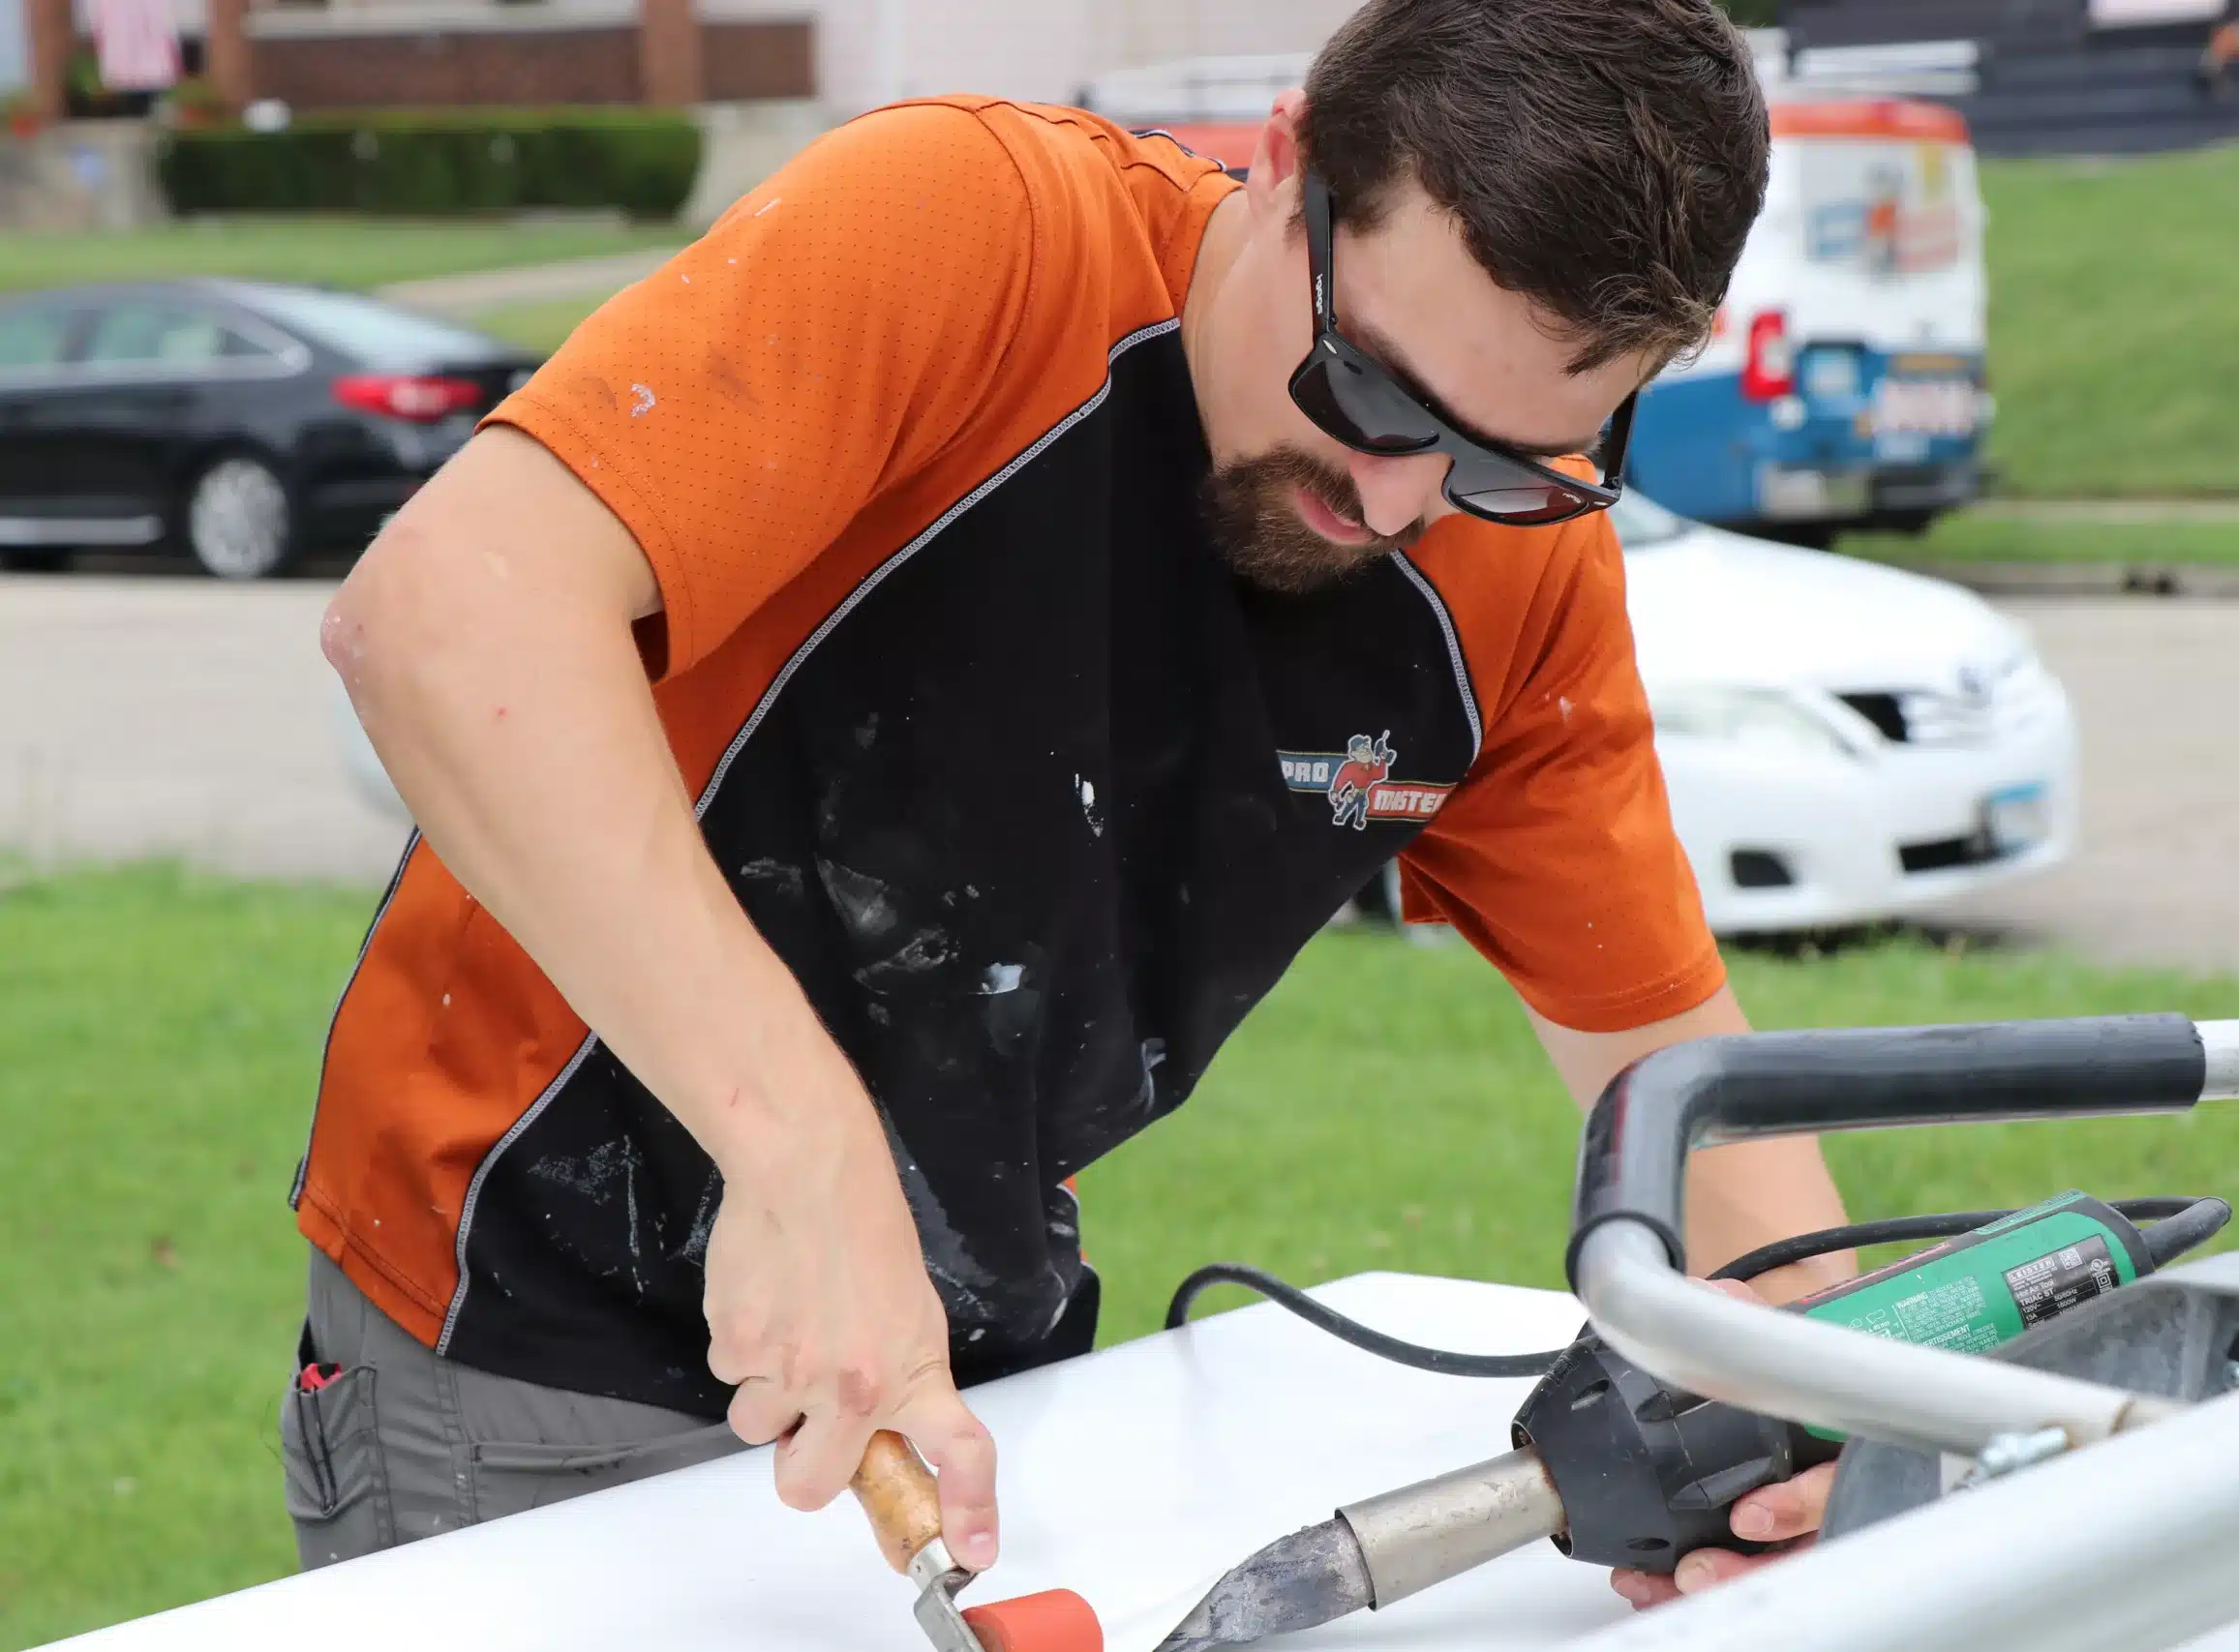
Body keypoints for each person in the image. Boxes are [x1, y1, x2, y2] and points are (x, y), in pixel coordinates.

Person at [289, 0, 1856, 1610]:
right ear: (1285, 160)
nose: (1399, 501)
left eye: (1511, 459)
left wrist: (1814, 1403)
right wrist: (803, 1152)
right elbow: (437, 617)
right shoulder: (976, 242)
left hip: (978, 1372)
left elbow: (1681, 1088)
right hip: (529, 1330)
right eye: (1372, 388)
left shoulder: (1516, 578)